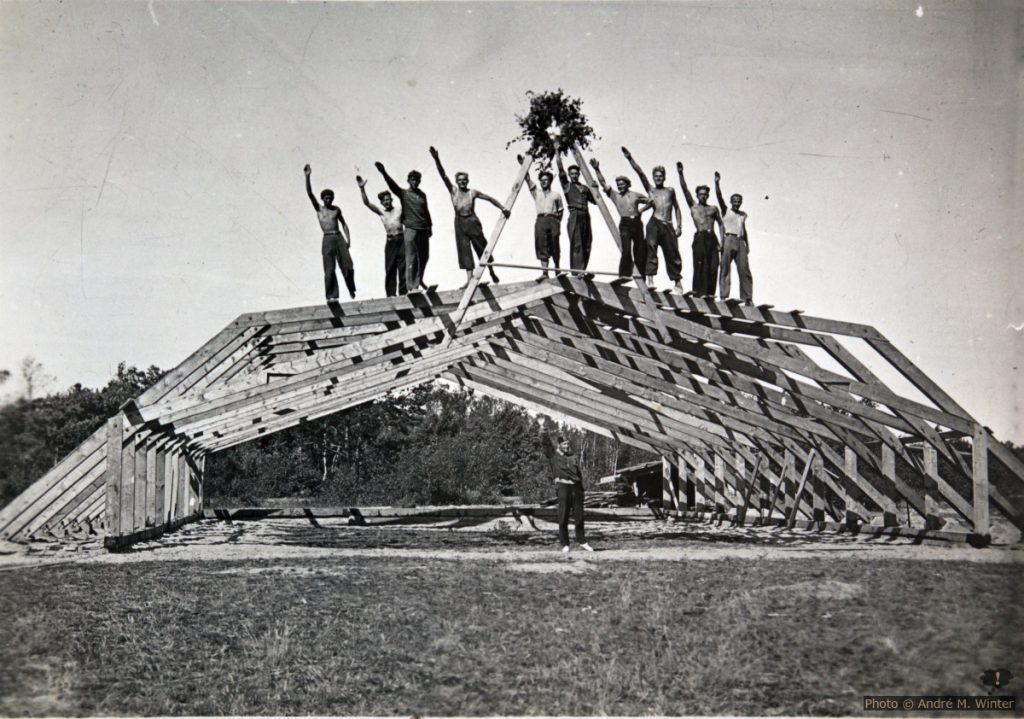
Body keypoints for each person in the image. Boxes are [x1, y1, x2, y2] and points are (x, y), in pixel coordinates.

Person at [429, 146, 508, 287]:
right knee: (464, 250)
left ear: (468, 181)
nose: (462, 182)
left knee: (482, 247)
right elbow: (443, 175)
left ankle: (491, 271)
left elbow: (489, 198)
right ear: (457, 181)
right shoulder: (453, 191)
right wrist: (436, 159)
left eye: (464, 180)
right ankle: (470, 279)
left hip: (472, 221)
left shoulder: (472, 192)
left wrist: (503, 208)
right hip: (459, 222)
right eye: (460, 180)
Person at [622, 147, 684, 291]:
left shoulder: (670, 191)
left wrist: (679, 225)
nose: (658, 178)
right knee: (651, 248)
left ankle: (677, 283)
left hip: (668, 224)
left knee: (672, 253)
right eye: (656, 176)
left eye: (660, 176)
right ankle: (650, 279)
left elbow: (677, 208)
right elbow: (640, 173)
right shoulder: (651, 189)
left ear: (664, 177)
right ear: (653, 177)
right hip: (654, 223)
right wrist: (630, 158)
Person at [589, 158, 653, 278]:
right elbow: (603, 183)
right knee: (626, 250)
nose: (620, 187)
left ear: (628, 185)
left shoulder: (635, 195)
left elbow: (650, 201)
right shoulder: (615, 196)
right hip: (625, 224)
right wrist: (597, 169)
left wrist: (641, 211)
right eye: (618, 185)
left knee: (640, 250)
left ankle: (641, 276)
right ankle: (623, 274)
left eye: (622, 184)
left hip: (637, 223)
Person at [375, 161, 432, 293]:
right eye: (413, 180)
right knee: (411, 258)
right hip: (411, 229)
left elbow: (426, 211)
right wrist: (383, 172)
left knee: (424, 257)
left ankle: (418, 282)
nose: (415, 182)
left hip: (423, 229)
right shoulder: (404, 194)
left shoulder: (422, 195)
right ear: (408, 181)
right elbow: (392, 185)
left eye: (418, 180)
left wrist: (430, 226)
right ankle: (411, 287)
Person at [304, 164, 355, 302]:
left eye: (330, 197)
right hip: (327, 239)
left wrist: (348, 239)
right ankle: (332, 296)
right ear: (323, 199)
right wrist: (307, 176)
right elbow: (310, 194)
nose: (328, 200)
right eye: (326, 198)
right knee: (329, 270)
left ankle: (351, 288)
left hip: (338, 237)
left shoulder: (336, 210)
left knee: (347, 266)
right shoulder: (319, 209)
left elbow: (344, 224)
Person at [677, 161, 725, 298]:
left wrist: (721, 241)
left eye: (705, 194)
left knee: (713, 265)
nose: (703, 196)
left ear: (707, 195)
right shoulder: (693, 206)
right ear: (697, 195)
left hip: (712, 237)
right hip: (700, 236)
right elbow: (685, 190)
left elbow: (721, 224)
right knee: (700, 264)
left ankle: (710, 293)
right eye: (700, 194)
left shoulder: (713, 209)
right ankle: (698, 292)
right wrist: (680, 173)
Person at [356, 175, 406, 297]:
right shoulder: (381, 212)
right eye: (384, 200)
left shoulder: (399, 210)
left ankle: (404, 293)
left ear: (391, 200)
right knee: (390, 268)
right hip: (390, 241)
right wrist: (362, 189)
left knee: (403, 267)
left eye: (388, 199)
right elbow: (367, 203)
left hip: (401, 239)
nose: (387, 201)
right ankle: (391, 295)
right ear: (382, 202)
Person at [554, 140, 598, 274]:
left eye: (575, 173)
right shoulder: (567, 186)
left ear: (578, 174)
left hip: (586, 215)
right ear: (569, 175)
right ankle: (576, 270)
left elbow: (596, 201)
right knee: (576, 242)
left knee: (587, 242)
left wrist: (595, 187)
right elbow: (560, 170)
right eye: (571, 174)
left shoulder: (584, 188)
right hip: (574, 215)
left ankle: (582, 270)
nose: (574, 175)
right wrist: (557, 151)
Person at [521, 156, 564, 279]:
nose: (544, 182)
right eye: (542, 180)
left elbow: (561, 211)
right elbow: (528, 179)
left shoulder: (556, 195)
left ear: (550, 181)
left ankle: (557, 269)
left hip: (553, 219)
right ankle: (545, 272)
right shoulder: (537, 193)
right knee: (541, 244)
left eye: (546, 180)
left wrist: (556, 222)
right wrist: (524, 165)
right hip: (540, 219)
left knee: (554, 244)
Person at [714, 171, 753, 304]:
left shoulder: (743, 214)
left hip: (740, 241)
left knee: (744, 269)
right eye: (734, 201)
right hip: (728, 239)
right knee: (725, 267)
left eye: (739, 201)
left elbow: (744, 229)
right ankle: (723, 296)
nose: (737, 203)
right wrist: (717, 183)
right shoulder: (726, 210)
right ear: (731, 202)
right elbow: (719, 197)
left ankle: (747, 298)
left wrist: (747, 244)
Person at [552, 435, 593, 553]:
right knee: (563, 516)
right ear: (559, 445)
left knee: (579, 516)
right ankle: (565, 544)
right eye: (564, 444)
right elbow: (547, 448)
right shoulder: (554, 457)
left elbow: (578, 474)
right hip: (564, 487)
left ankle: (582, 541)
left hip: (576, 488)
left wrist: (581, 490)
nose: (566, 446)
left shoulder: (573, 457)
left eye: (568, 444)